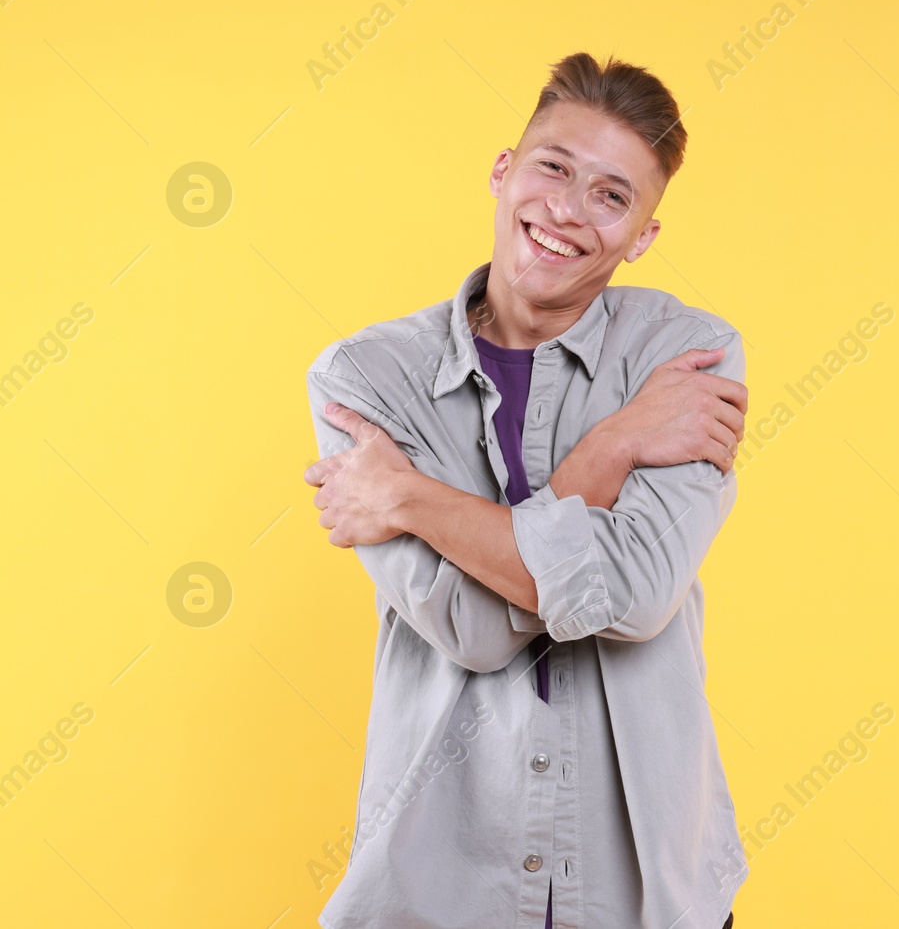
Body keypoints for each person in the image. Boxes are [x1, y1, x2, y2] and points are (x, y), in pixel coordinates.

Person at [302, 52, 747, 929]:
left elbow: (632, 592)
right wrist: (617, 445)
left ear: (643, 236)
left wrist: (409, 497)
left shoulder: (686, 357)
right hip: (439, 893)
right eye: (554, 167)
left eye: (612, 196)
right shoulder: (366, 377)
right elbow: (469, 629)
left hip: (647, 893)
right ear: (504, 171)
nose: (568, 211)